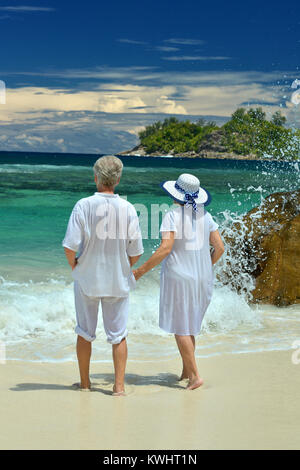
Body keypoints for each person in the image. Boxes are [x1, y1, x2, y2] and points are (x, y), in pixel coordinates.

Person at [133, 173, 224, 390]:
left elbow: (166, 248)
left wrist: (141, 270)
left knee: (181, 328)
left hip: (179, 277)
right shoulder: (206, 215)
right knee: (190, 325)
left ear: (175, 193)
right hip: (203, 277)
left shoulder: (172, 215)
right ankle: (186, 370)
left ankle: (195, 377)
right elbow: (220, 248)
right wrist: (205, 266)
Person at [62, 155, 143, 395]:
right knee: (118, 335)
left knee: (85, 332)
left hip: (88, 279)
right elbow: (136, 252)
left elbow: (69, 246)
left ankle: (86, 384)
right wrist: (123, 266)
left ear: (95, 177)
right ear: (118, 179)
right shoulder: (128, 208)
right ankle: (118, 387)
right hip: (118, 281)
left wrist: (75, 266)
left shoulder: (83, 205)